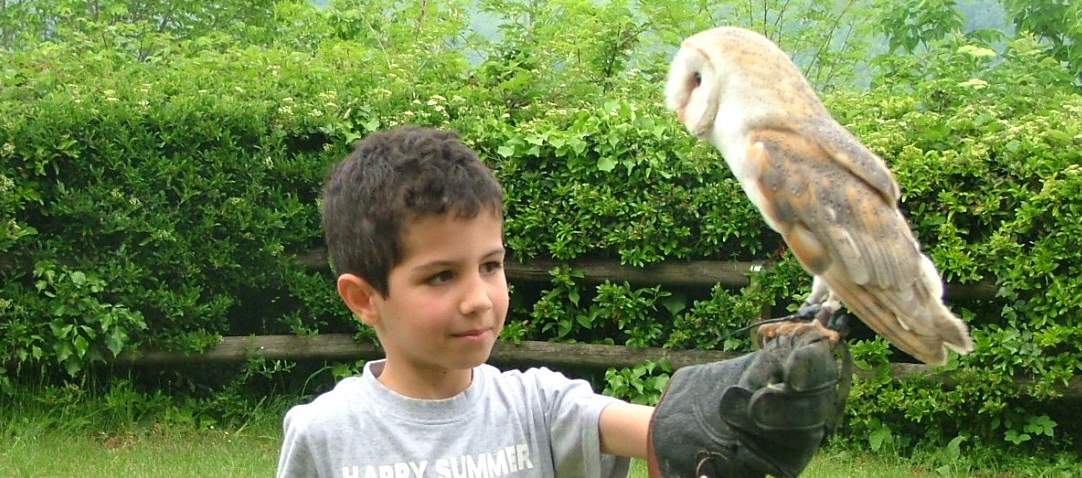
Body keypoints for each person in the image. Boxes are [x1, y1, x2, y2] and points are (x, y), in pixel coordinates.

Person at [276, 125, 848, 478]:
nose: (479, 299)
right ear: (364, 298)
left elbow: (666, 431)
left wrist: (741, 404)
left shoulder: (538, 406)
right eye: (440, 276)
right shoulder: (325, 433)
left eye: (491, 266)